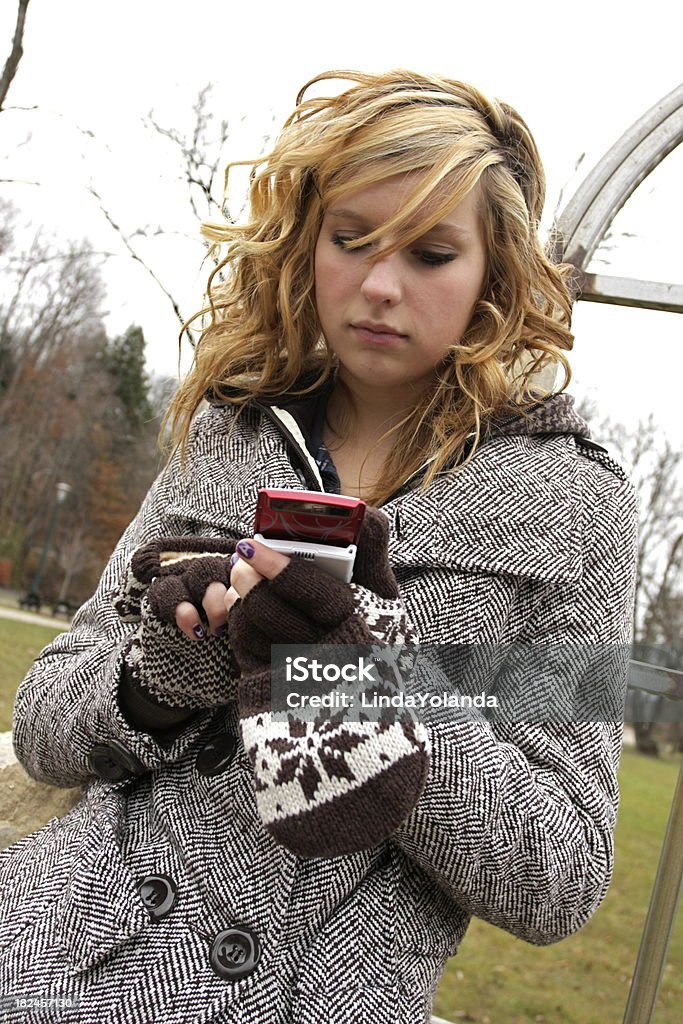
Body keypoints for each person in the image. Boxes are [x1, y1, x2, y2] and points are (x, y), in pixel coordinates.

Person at [0, 69, 637, 1023]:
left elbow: (562, 872)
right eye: (350, 241)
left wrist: (358, 688)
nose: (380, 287)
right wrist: (169, 673)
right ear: (306, 246)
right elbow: (48, 719)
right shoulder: (229, 430)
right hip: (53, 950)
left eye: (429, 254)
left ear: (492, 275)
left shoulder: (570, 506)